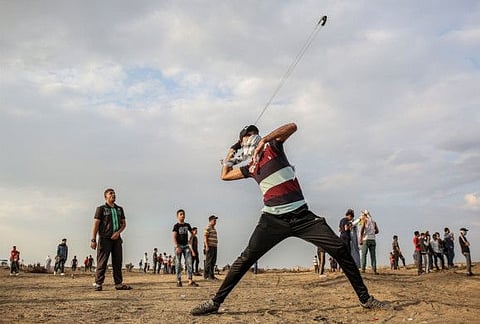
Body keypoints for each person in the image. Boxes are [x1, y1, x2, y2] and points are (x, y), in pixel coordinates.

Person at [191, 123, 389, 315]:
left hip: (303, 216)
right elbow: (224, 175)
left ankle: (366, 299)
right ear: (243, 143)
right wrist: (232, 149)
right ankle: (215, 302)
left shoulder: (273, 147)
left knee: (339, 249)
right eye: (247, 135)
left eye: (254, 133)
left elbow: (292, 126)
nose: (252, 136)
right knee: (245, 259)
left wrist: (266, 139)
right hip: (272, 219)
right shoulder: (250, 166)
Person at [90, 188, 131, 291]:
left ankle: (118, 283)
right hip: (104, 239)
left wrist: (118, 233)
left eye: (114, 193)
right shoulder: (101, 209)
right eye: (110, 193)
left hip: (116, 239)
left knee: (117, 261)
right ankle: (98, 283)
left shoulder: (119, 209)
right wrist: (93, 239)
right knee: (102, 261)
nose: (113, 195)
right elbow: (96, 224)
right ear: (105, 196)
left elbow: (124, 224)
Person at [172, 209, 198, 287]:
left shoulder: (187, 225)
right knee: (178, 264)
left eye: (183, 214)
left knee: (189, 262)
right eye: (181, 214)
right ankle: (178, 281)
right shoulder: (176, 226)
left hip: (186, 246)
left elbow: (192, 234)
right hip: (179, 246)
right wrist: (177, 246)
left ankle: (190, 280)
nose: (183, 215)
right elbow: (174, 236)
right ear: (177, 216)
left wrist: (192, 237)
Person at [359, 210, 378, 275]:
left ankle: (363, 269)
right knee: (373, 256)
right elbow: (377, 231)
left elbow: (362, 229)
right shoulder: (373, 222)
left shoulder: (364, 221)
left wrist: (361, 238)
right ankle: (374, 270)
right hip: (373, 240)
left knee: (364, 255)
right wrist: (372, 233)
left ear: (365, 215)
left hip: (366, 239)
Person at [204, 215, 219, 280]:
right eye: (214, 220)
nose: (215, 222)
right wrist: (207, 246)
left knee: (213, 261)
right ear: (210, 221)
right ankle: (207, 275)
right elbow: (205, 237)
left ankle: (211, 275)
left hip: (214, 246)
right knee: (209, 261)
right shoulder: (208, 228)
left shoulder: (214, 229)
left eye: (215, 220)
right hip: (209, 246)